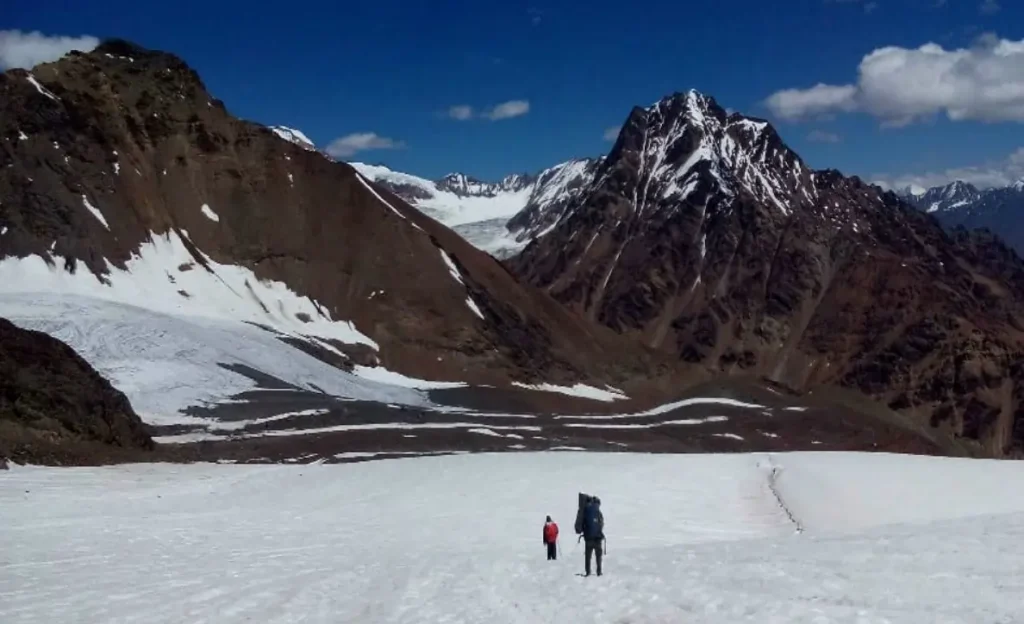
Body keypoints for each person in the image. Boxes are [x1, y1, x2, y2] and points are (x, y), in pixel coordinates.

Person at [582, 496, 604, 576]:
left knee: (588, 556)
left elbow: (582, 524)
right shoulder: (598, 512)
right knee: (598, 556)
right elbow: (601, 524)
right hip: (597, 538)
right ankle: (599, 571)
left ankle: (588, 571)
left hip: (588, 538)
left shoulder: (586, 511)